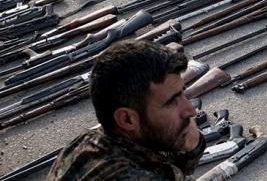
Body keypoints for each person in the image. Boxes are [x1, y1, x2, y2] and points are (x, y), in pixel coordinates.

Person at [48, 40, 206, 181]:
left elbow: (166, 169)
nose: (190, 110)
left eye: (182, 94)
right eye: (172, 102)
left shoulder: (84, 144)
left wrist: (191, 149)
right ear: (127, 119)